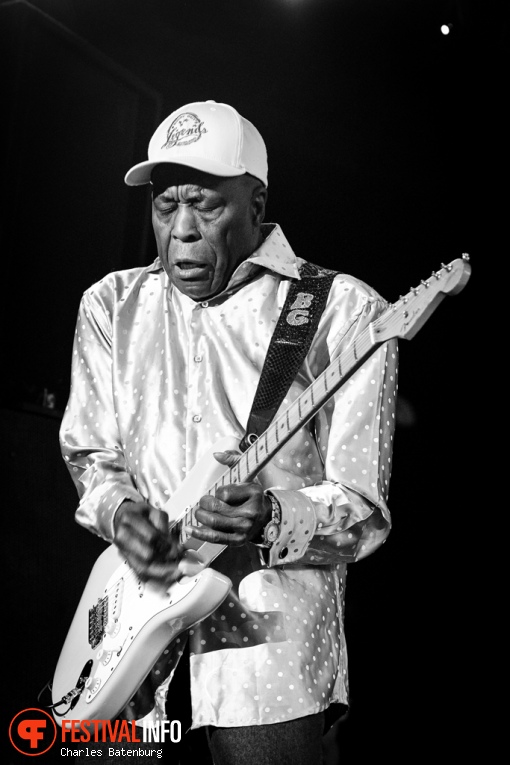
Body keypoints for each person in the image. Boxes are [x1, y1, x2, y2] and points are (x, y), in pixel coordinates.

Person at [60, 100, 398, 765]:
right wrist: (122, 511)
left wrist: (272, 515)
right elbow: (90, 455)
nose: (180, 231)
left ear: (257, 202)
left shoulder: (345, 311)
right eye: (165, 205)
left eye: (206, 206)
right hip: (129, 658)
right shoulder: (110, 305)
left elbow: (364, 512)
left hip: (266, 672)